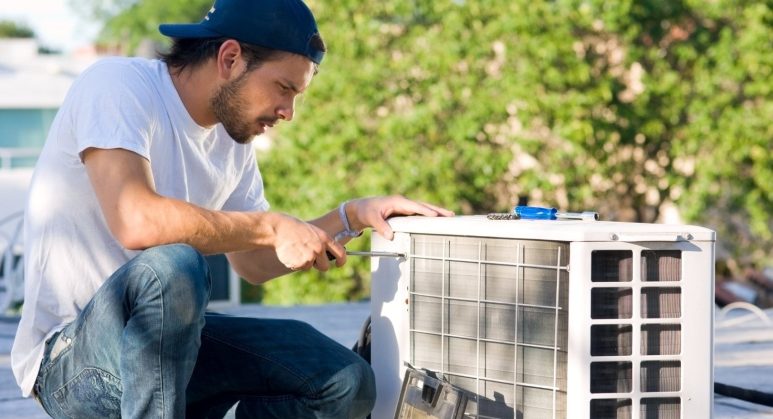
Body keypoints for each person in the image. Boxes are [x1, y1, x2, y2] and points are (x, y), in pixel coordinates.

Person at [10, 0, 453, 417]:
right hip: (70, 363)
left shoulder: (231, 142)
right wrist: (270, 225)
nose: (288, 111)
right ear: (230, 58)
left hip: (175, 354)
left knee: (344, 379)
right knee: (173, 266)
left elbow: (256, 262)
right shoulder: (116, 85)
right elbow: (135, 220)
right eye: (284, 88)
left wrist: (351, 215)